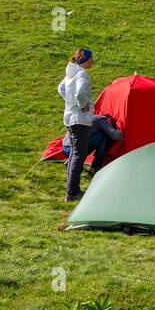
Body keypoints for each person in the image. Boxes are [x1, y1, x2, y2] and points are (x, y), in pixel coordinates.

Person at [58, 47, 95, 202]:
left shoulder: (70, 74)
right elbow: (80, 92)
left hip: (70, 118)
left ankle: (70, 189)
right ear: (85, 60)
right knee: (79, 155)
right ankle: (73, 192)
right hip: (79, 119)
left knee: (74, 154)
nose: (93, 61)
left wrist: (70, 102)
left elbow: (60, 88)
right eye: (91, 58)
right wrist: (82, 105)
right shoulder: (82, 74)